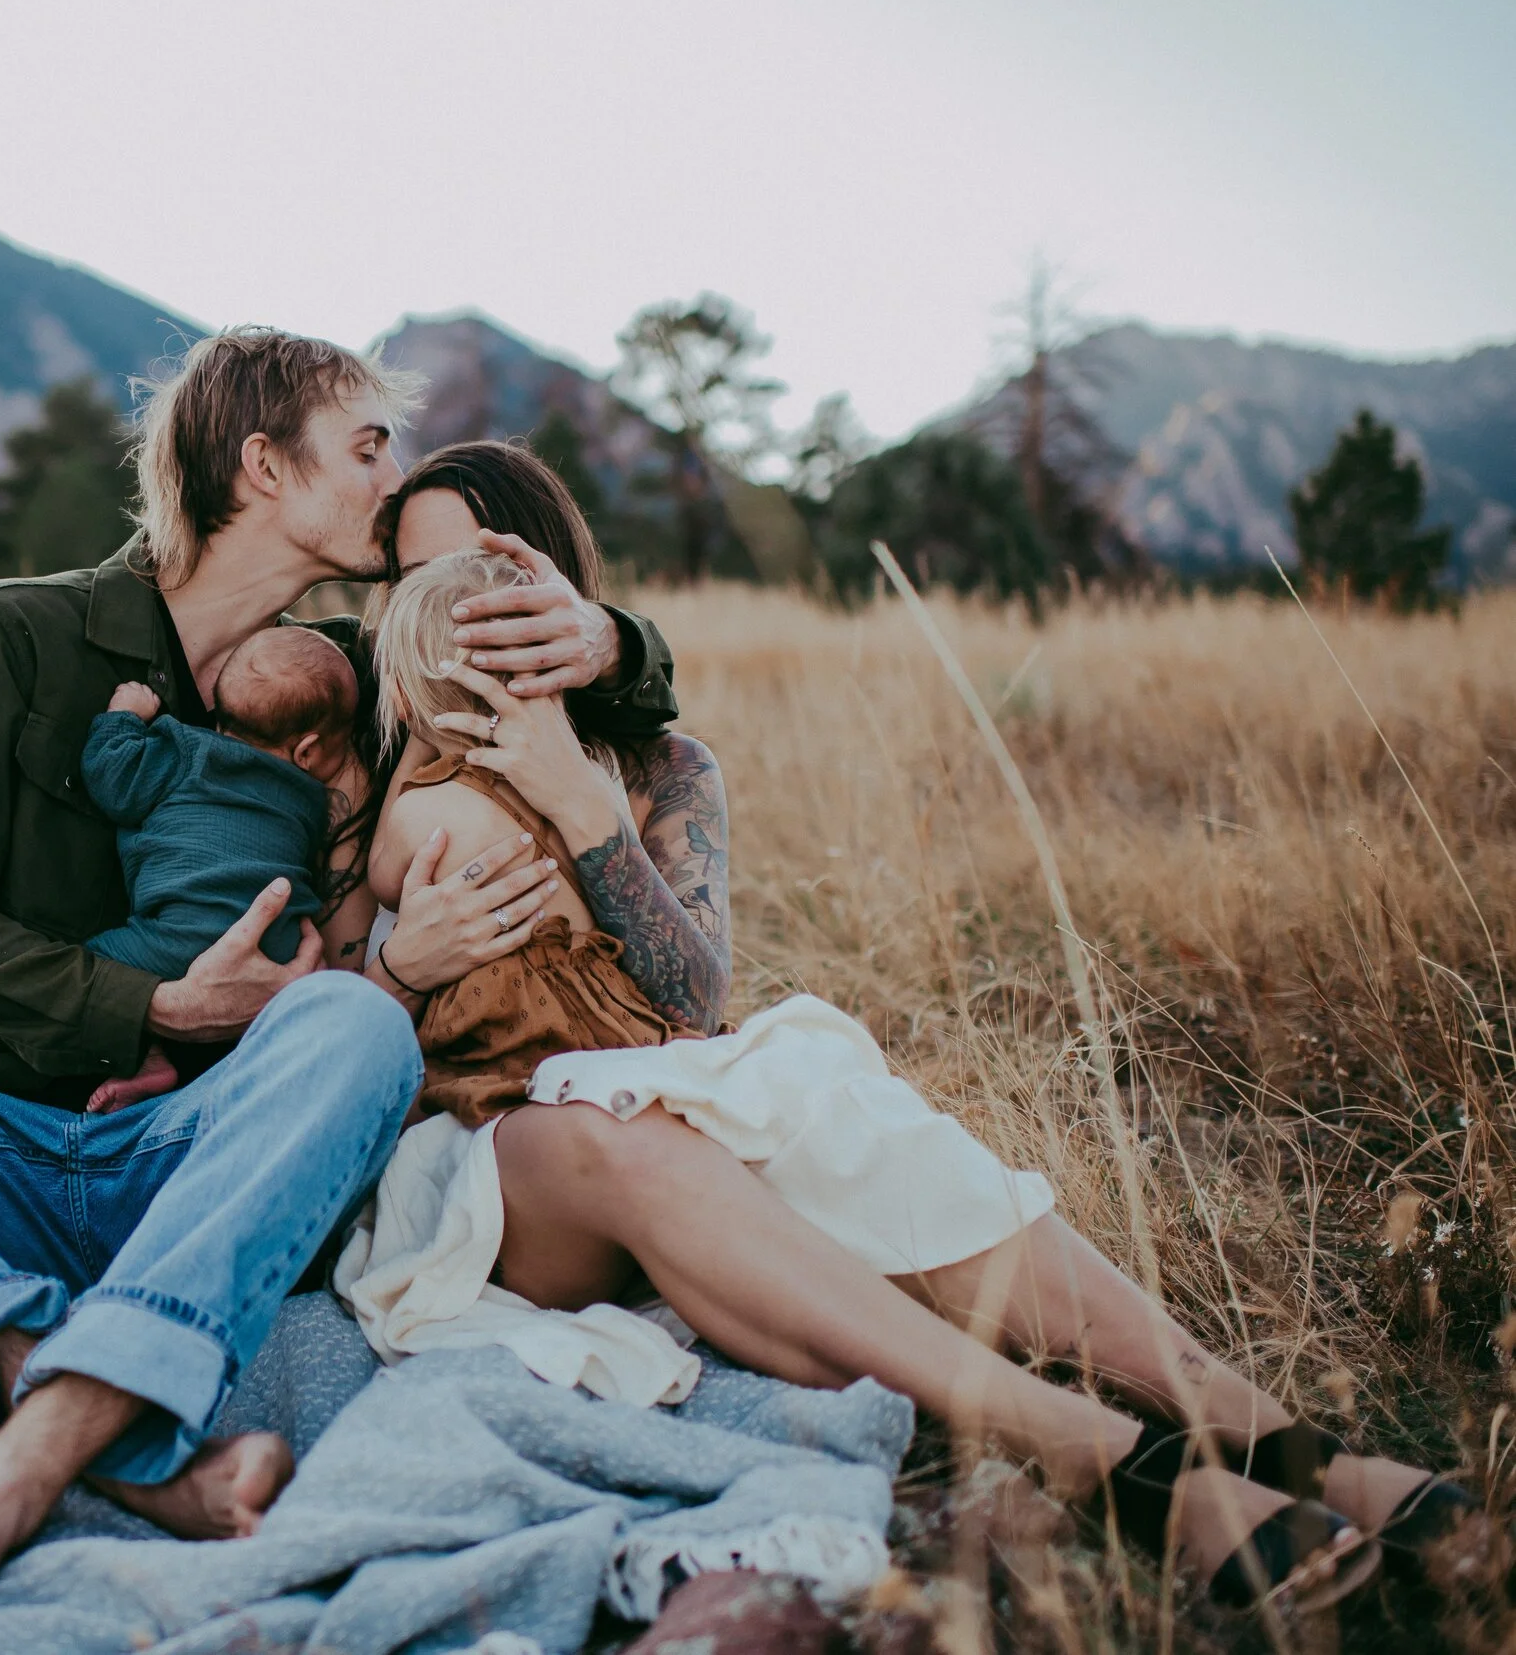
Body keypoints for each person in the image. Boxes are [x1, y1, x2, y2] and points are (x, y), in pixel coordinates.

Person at [0, 334, 687, 1655]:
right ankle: (88, 1430)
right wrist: (154, 1006)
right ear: (264, 466)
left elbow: (622, 718)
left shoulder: (351, 678)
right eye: (367, 447)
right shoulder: (10, 637)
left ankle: (11, 1469)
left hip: (224, 1170)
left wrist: (608, 635)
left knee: (352, 1022)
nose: (395, 478)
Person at [326, 440, 1480, 1613]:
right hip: (507, 1174)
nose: (452, 611)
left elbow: (690, 1006)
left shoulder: (659, 767)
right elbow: (315, 1030)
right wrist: (401, 963)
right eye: (413, 581)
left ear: (560, 587)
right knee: (614, 1132)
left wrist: (583, 806)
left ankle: (1279, 1441)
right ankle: (1102, 1459)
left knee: (815, 1091)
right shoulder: (372, 761)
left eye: (485, 573)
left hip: (665, 1109)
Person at [79, 625, 365, 1112]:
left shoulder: (182, 753)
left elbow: (113, 780)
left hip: (174, 939)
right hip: (278, 945)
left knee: (92, 974)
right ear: (306, 752)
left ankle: (148, 1059)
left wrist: (123, 718)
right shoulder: (313, 802)